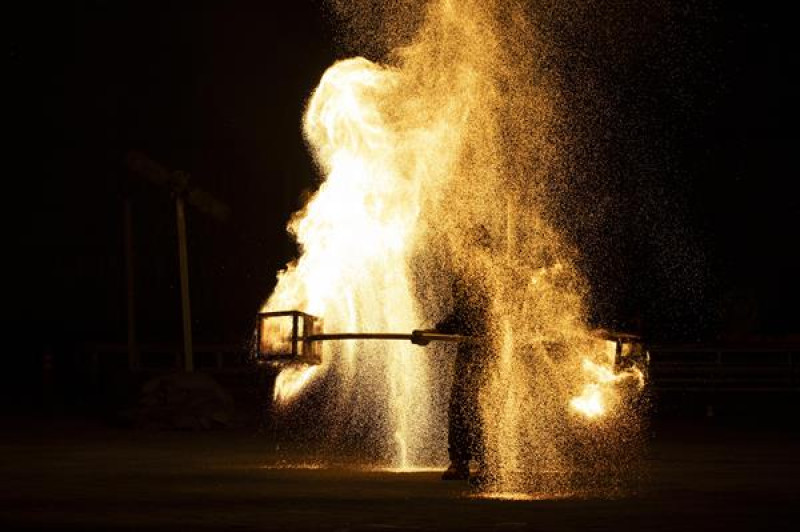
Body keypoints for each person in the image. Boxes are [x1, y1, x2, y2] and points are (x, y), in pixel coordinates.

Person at [435, 271, 492, 480]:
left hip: (489, 355)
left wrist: (436, 330)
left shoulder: (486, 278)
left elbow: (465, 315)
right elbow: (460, 315)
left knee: (481, 407)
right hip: (468, 354)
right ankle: (459, 462)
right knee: (459, 406)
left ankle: (489, 464)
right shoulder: (465, 276)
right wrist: (433, 331)